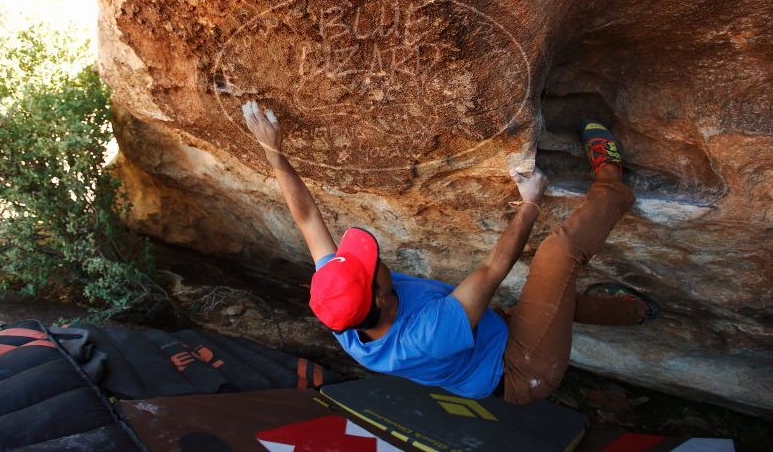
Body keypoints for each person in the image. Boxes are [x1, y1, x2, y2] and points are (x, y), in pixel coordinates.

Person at [241, 100, 659, 404]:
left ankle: (634, 311)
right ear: (379, 298)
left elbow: (307, 219)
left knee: (549, 301)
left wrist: (272, 150)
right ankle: (612, 182)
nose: (374, 258)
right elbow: (493, 268)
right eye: (373, 268)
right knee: (557, 256)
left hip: (489, 336)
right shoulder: (424, 336)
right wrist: (531, 201)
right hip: (520, 369)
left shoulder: (342, 300)